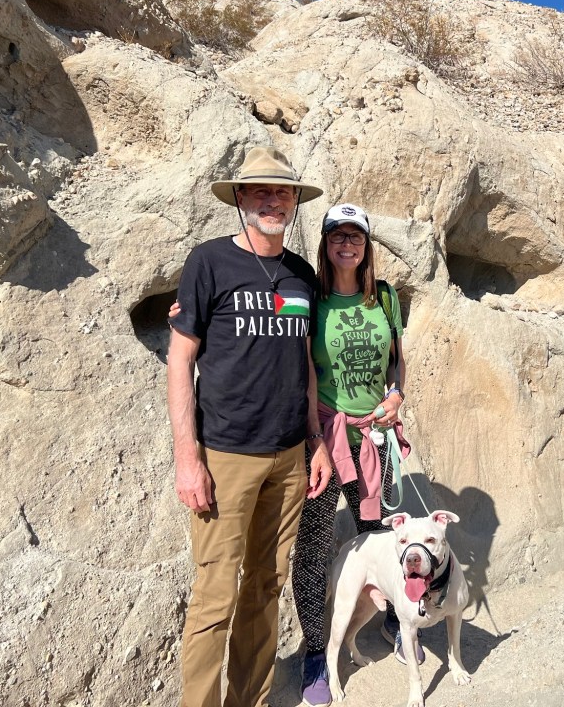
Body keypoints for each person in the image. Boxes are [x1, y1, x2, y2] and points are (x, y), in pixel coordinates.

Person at [167, 146, 333, 707]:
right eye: (260, 191)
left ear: (293, 203)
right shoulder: (209, 262)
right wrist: (188, 459)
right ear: (240, 198)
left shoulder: (301, 275)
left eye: (282, 192)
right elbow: (180, 359)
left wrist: (315, 443)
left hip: (288, 458)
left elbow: (305, 365)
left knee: (266, 588)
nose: (272, 201)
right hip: (226, 458)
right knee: (215, 597)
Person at [291, 203, 413, 707]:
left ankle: (394, 624)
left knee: (382, 537)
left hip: (375, 438)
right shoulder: (310, 298)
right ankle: (317, 652)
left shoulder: (383, 299)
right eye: (337, 236)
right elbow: (291, 360)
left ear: (367, 246)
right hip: (325, 438)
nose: (347, 244)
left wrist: (397, 396)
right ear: (325, 245)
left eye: (356, 236)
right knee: (317, 546)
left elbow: (398, 364)